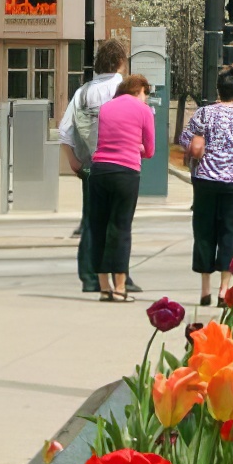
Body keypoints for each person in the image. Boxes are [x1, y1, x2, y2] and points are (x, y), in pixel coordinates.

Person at [58, 38, 141, 293]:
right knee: (119, 224)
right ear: (120, 62)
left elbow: (65, 130)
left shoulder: (83, 92)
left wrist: (74, 161)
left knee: (93, 221)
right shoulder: (125, 90)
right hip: (123, 165)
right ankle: (120, 278)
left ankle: (90, 276)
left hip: (92, 167)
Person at [180, 67, 233, 307]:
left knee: (204, 232)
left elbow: (185, 138)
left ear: (218, 90)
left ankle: (205, 290)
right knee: (228, 234)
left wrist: (198, 144)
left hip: (205, 180)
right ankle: (223, 291)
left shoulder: (204, 114)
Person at [89, 76, 155, 302]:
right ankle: (119, 288)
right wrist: (137, 147)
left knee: (98, 227)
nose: (146, 98)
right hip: (125, 172)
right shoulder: (143, 110)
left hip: (99, 170)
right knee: (120, 228)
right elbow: (150, 150)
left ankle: (103, 287)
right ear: (140, 90)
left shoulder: (105, 108)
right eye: (146, 94)